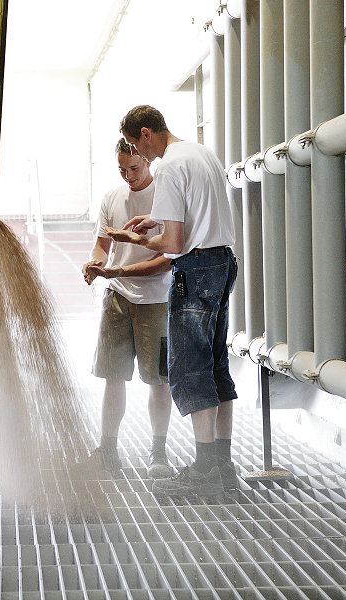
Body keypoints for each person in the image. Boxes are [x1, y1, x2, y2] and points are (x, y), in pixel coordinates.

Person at [106, 105, 238, 498]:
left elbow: (175, 244)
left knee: (191, 369)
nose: (136, 154)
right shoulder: (201, 153)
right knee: (216, 366)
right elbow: (195, 214)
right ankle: (223, 467)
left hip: (195, 270)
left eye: (134, 145)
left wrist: (137, 238)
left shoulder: (167, 167)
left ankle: (204, 471)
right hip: (222, 262)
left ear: (146, 134)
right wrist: (156, 220)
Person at [81, 137, 174, 478]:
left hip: (156, 300)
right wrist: (95, 263)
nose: (128, 176)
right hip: (117, 297)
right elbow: (102, 246)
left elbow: (168, 259)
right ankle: (107, 451)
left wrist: (117, 271)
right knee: (112, 376)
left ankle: (158, 453)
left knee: (159, 380)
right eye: (122, 170)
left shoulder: (165, 196)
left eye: (134, 168)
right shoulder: (111, 198)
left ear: (147, 161)